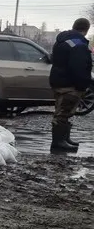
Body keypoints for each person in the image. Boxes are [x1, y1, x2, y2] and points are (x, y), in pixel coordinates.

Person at [48, 17, 92, 153]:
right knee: (64, 112)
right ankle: (59, 142)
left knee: (62, 110)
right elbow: (79, 66)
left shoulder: (62, 41)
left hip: (59, 81)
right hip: (70, 84)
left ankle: (64, 139)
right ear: (86, 29)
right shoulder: (79, 44)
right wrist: (83, 84)